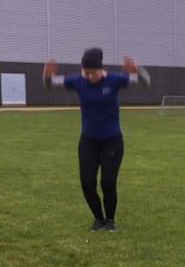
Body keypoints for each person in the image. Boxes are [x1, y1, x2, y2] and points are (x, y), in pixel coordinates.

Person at [43, 47, 150, 231]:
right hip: (88, 141)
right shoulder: (78, 81)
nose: (90, 76)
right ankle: (98, 219)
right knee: (87, 183)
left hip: (112, 140)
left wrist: (137, 69)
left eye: (93, 72)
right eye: (86, 72)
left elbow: (145, 83)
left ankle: (110, 221)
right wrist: (46, 75)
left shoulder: (114, 80)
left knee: (107, 183)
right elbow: (51, 84)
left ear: (101, 68)